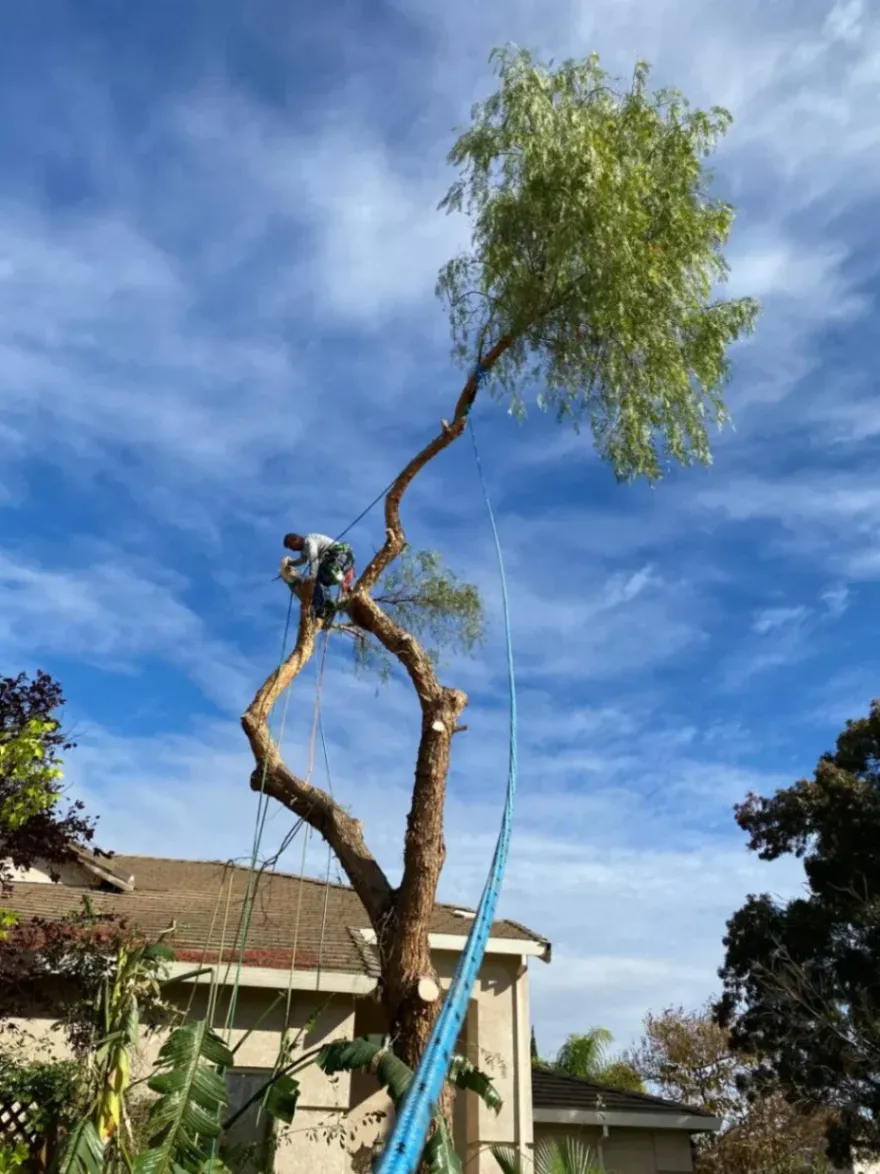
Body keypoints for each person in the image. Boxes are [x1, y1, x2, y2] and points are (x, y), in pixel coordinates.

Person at [282, 532, 355, 620]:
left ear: (295, 540)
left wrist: (312, 576)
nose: (293, 550)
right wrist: (290, 563)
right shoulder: (304, 550)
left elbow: (313, 558)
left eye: (291, 546)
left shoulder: (309, 541)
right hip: (339, 560)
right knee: (321, 581)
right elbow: (302, 560)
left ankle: (321, 606)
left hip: (342, 555)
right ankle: (326, 606)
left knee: (318, 577)